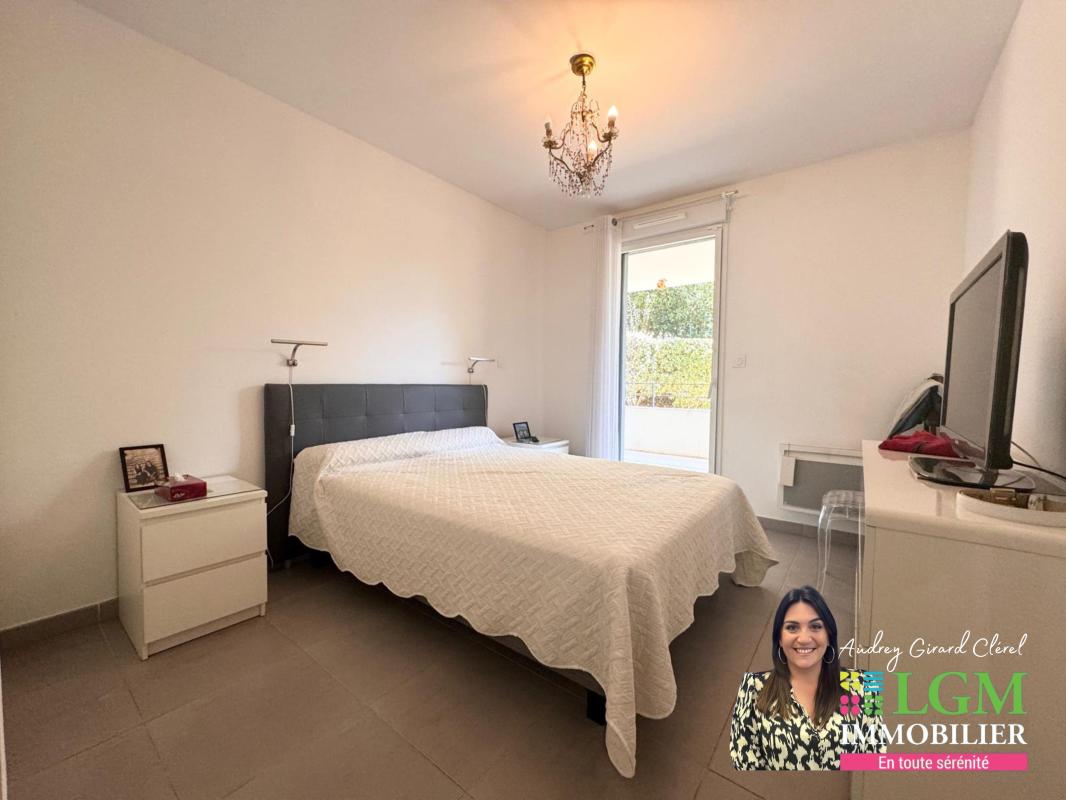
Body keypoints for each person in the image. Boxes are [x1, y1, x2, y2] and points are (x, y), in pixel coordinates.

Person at [730, 585, 886, 770]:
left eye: (815, 626)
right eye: (792, 627)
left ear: (829, 635)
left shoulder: (868, 684)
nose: (804, 639)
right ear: (779, 639)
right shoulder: (751, 688)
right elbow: (744, 761)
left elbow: (874, 756)